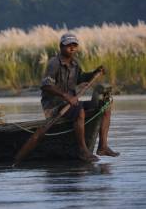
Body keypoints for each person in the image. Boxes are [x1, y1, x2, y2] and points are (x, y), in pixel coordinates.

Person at [41, 33, 119, 162]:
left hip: (71, 103)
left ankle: (103, 146)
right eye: (68, 46)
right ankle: (83, 150)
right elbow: (46, 86)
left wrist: (95, 72)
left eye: (74, 45)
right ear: (61, 47)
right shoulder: (54, 64)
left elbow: (80, 78)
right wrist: (66, 96)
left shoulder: (75, 63)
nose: (72, 48)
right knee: (80, 111)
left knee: (106, 105)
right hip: (54, 106)